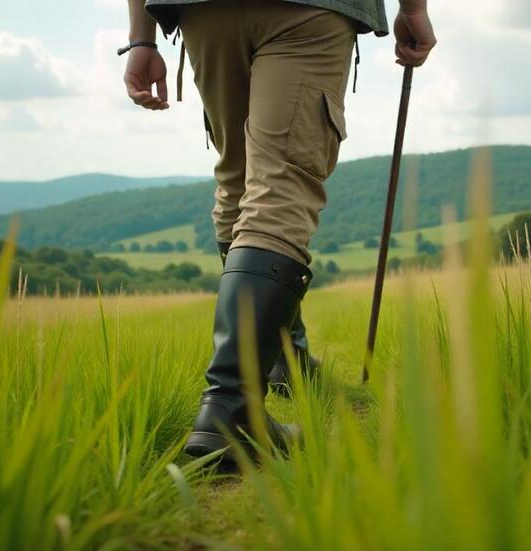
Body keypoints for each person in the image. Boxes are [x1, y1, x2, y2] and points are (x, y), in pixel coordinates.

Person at [121, 0, 436, 463]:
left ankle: (285, 360)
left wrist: (142, 37)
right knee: (278, 187)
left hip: (203, 9)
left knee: (239, 181)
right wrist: (413, 7)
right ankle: (230, 409)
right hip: (310, 8)